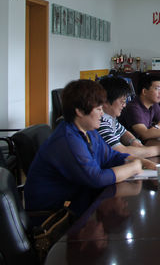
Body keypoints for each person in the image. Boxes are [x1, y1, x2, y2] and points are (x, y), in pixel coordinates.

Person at [24, 80, 151, 211]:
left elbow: (110, 156)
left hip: (78, 199)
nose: (102, 114)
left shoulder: (89, 131)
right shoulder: (67, 139)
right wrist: (133, 167)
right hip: (54, 214)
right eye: (98, 109)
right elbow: (97, 178)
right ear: (79, 111)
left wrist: (141, 161)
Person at [98, 77, 160, 158]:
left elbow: (124, 133)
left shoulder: (111, 118)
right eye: (122, 101)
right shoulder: (101, 123)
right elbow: (121, 151)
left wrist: (134, 141)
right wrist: (158, 150)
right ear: (106, 102)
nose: (124, 105)